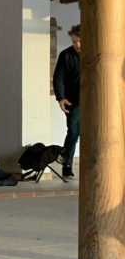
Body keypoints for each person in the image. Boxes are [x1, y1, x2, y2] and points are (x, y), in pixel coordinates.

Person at [53, 25, 80, 178]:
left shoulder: (95, 52)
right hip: (73, 101)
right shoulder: (66, 55)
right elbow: (58, 78)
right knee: (73, 132)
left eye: (79, 41)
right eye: (74, 41)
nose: (77, 45)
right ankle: (67, 164)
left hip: (95, 101)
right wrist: (60, 97)